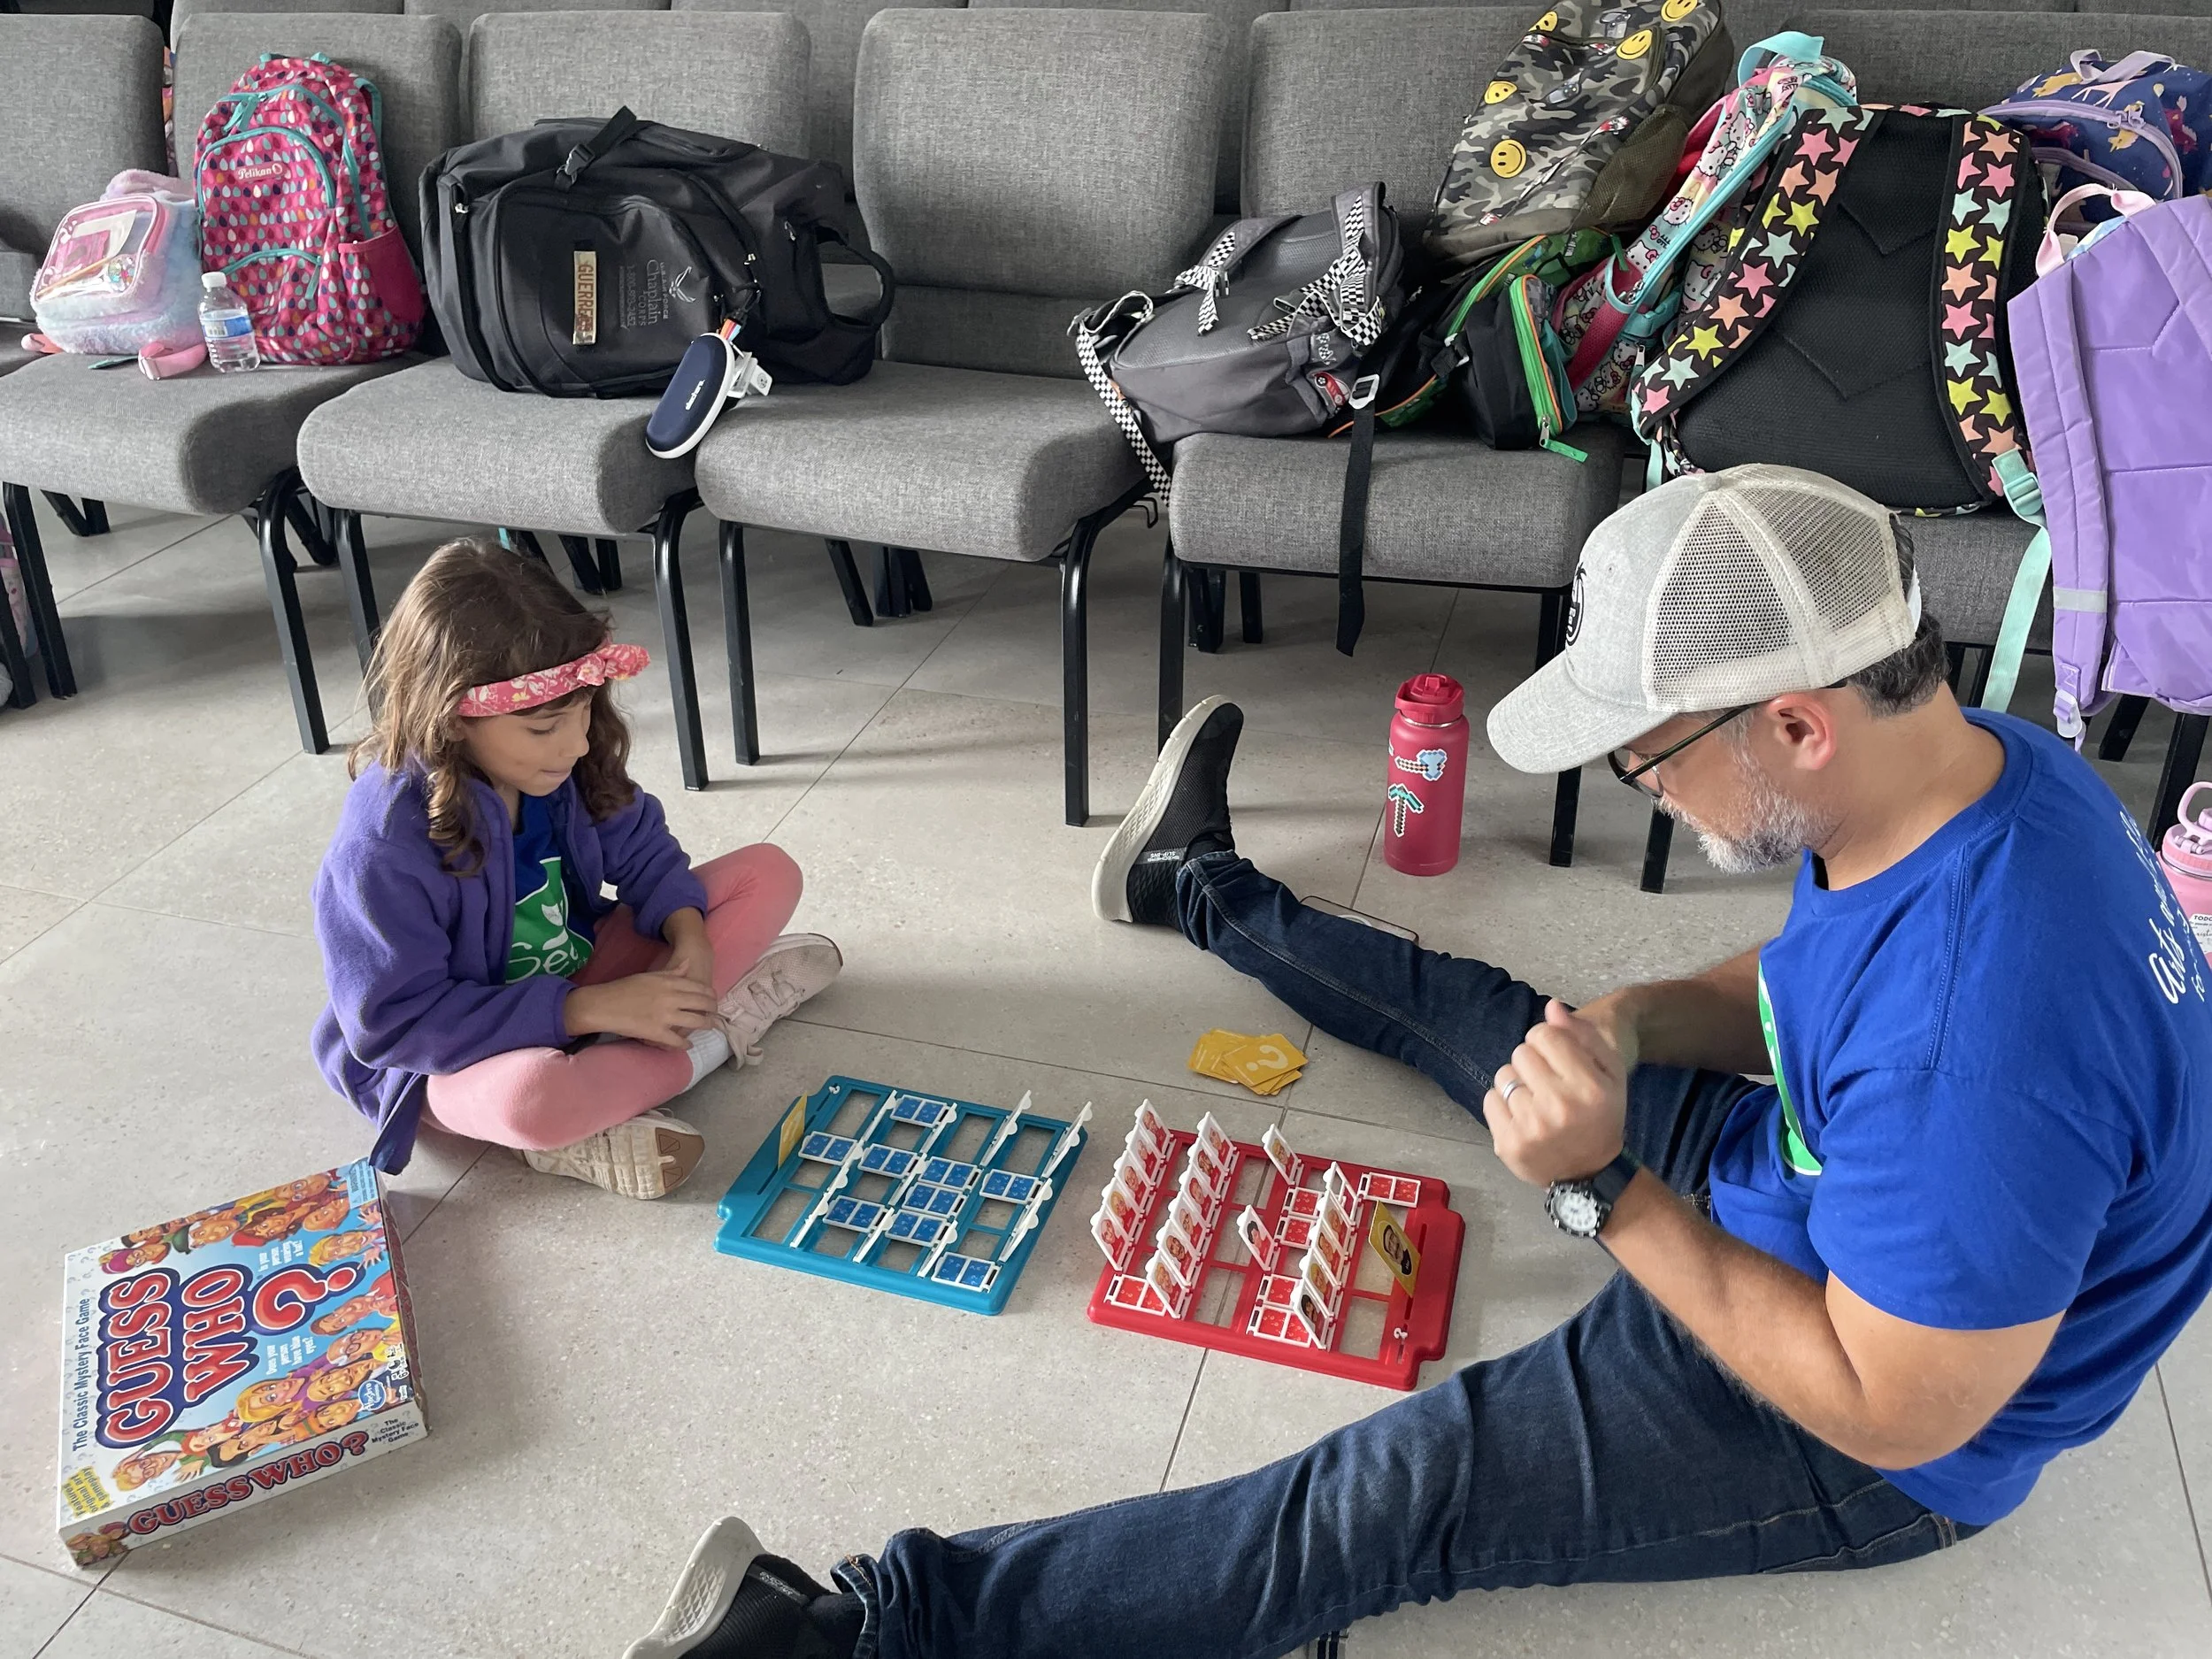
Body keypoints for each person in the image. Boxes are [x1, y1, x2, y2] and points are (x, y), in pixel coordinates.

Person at [618, 466, 2212, 1658]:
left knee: (1380, 1499)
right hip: (1826, 1174)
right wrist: (1633, 1026)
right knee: (1494, 1018)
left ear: (1797, 723)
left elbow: (1891, 1407)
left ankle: (863, 1636)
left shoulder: (1983, 1046)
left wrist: (1604, 1191)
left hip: (1864, 1419)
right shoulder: (1975, 765)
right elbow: (1819, 988)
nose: (1648, 789)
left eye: (1649, 761)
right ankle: (1196, 886)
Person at [312, 539, 841, 1199]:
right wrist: (589, 1008)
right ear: (451, 719)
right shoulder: (382, 844)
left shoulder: (564, 764)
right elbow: (395, 1025)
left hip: (573, 975)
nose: (578, 742)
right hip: (445, 1056)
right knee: (532, 1099)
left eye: (584, 710)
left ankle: (614, 1083)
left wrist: (690, 936)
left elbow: (643, 849)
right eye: (544, 728)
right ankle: (697, 1045)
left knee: (768, 872)